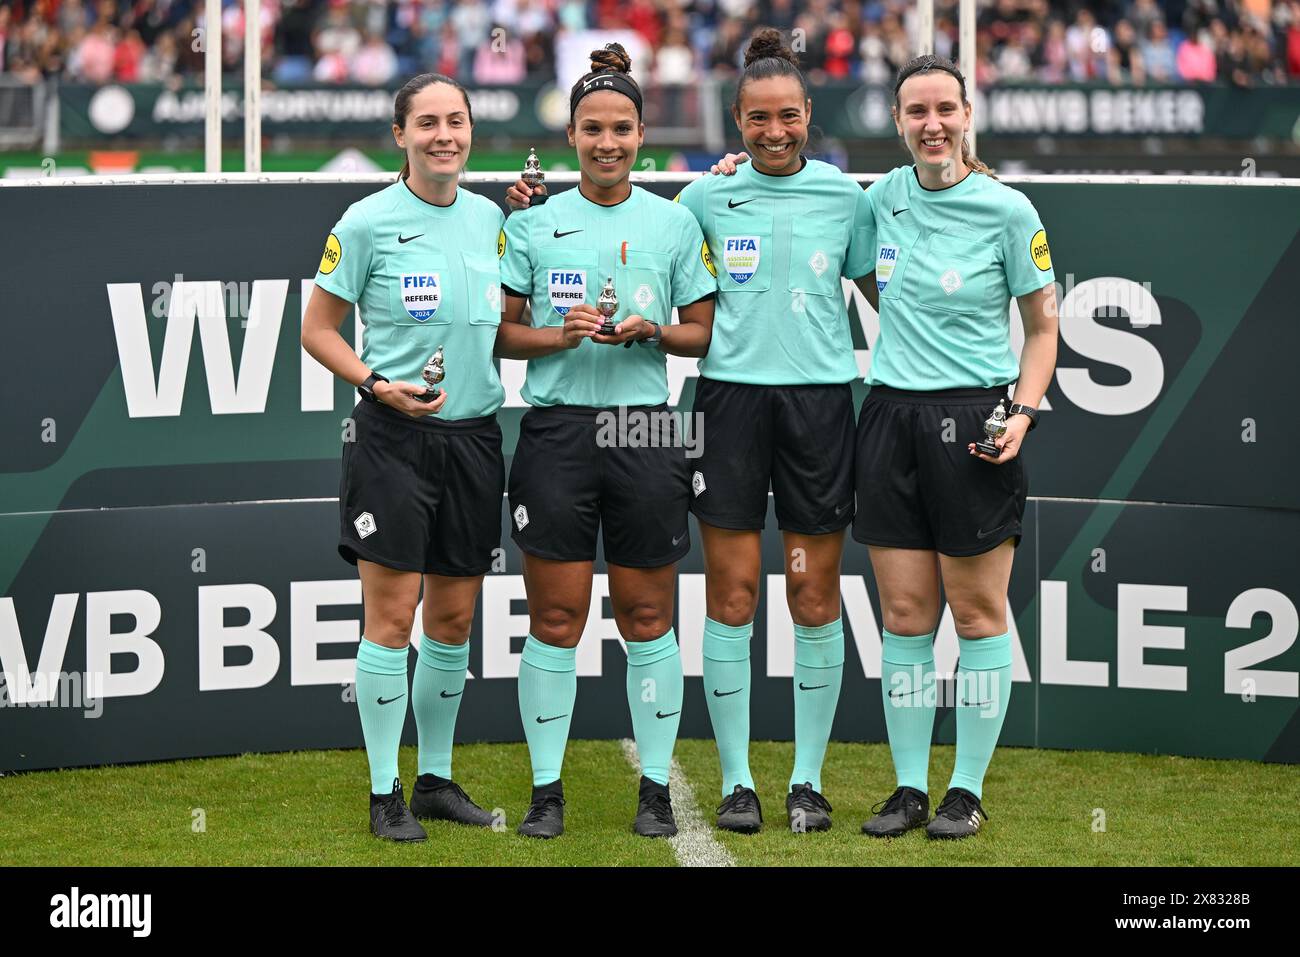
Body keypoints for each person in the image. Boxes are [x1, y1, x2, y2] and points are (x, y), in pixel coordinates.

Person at [496, 43, 717, 840]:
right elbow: (502, 335)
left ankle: (655, 788)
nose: (607, 143)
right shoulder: (532, 220)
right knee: (555, 619)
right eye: (592, 129)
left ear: (640, 131)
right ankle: (546, 790)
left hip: (646, 429)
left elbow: (701, 335)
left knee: (649, 614)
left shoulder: (675, 219)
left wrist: (652, 329)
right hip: (555, 431)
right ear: (571, 135)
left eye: (621, 128)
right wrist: (557, 338)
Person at [672, 28, 876, 835]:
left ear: (808, 113)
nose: (773, 132)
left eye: (787, 117)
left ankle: (808, 781)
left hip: (821, 408)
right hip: (727, 405)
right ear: (735, 120)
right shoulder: (702, 198)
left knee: (814, 594)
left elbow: (887, 296)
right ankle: (736, 782)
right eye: (757, 120)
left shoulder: (846, 198)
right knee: (731, 594)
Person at [853, 54, 1057, 840]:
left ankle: (964, 790)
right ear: (899, 121)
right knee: (904, 615)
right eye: (916, 111)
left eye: (945, 108)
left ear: (967, 114)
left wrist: (1025, 412)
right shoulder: (878, 201)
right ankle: (908, 788)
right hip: (891, 419)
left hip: (976, 422)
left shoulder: (1008, 211)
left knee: (976, 615)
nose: (931, 124)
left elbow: (1043, 328)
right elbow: (863, 274)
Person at [301, 73, 506, 842]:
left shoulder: (491, 218)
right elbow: (317, 329)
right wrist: (376, 384)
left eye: (457, 120)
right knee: (391, 618)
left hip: (477, 438)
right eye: (428, 122)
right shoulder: (364, 222)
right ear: (401, 135)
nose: (444, 135)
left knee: (452, 621)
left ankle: (434, 779)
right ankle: (384, 790)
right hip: (393, 442)